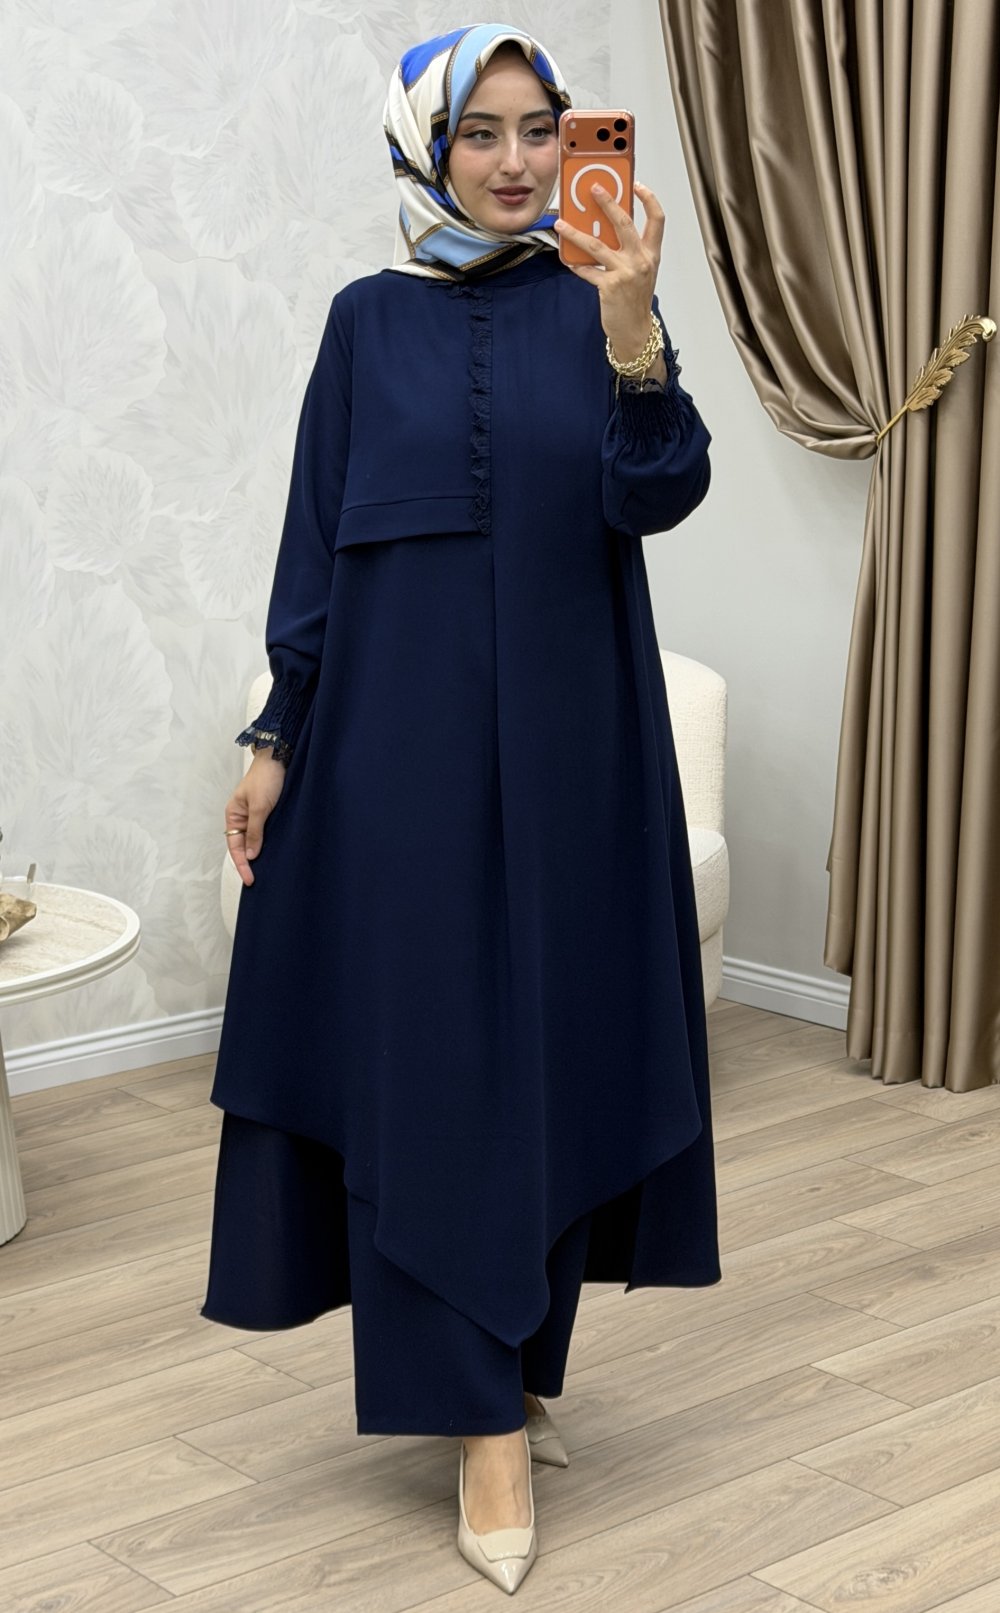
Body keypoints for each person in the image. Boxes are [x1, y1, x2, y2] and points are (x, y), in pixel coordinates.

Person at [200, 22, 721, 1595]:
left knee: (551, 1047)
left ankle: (522, 1363)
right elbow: (316, 542)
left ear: (571, 140)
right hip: (398, 756)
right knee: (435, 1060)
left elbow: (659, 492)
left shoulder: (601, 299)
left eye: (537, 128)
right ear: (427, 148)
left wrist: (633, 328)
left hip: (579, 749)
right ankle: (479, 1419)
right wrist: (275, 735)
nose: (512, 160)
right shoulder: (365, 322)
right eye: (478, 132)